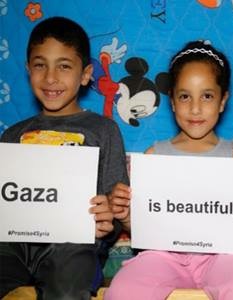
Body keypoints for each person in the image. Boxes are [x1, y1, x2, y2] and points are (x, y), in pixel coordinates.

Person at [105, 40, 233, 300]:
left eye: (207, 96)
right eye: (184, 96)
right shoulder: (153, 156)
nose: (195, 108)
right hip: (161, 257)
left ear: (223, 100)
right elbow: (145, 229)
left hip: (222, 258)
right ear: (172, 102)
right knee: (125, 289)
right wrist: (125, 216)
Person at [0, 17, 129, 300]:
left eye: (64, 66)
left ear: (85, 74)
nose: (50, 77)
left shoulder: (103, 130)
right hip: (13, 243)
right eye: (40, 65)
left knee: (70, 285)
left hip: (75, 245)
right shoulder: (12, 136)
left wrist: (109, 221)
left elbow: (115, 202)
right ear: (27, 70)